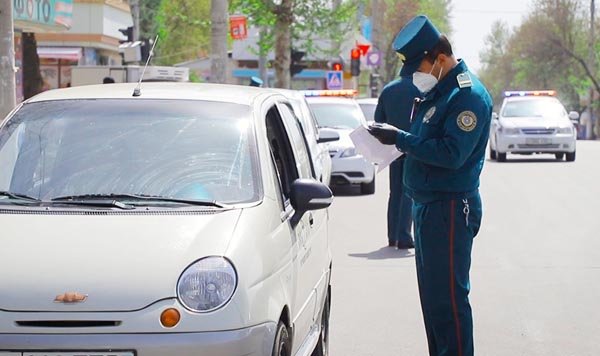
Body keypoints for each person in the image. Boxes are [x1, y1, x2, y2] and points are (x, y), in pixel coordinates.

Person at [368, 15, 493, 356]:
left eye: (418, 67)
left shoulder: (466, 96)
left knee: (449, 302)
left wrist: (401, 139)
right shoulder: (438, 91)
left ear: (439, 58)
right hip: (428, 207)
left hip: (449, 209)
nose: (415, 77)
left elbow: (452, 153)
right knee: (434, 303)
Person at [374, 77, 419, 249]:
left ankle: (393, 236)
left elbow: (378, 120)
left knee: (395, 192)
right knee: (409, 191)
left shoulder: (388, 89)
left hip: (392, 147)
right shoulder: (422, 89)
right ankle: (405, 236)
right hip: (414, 146)